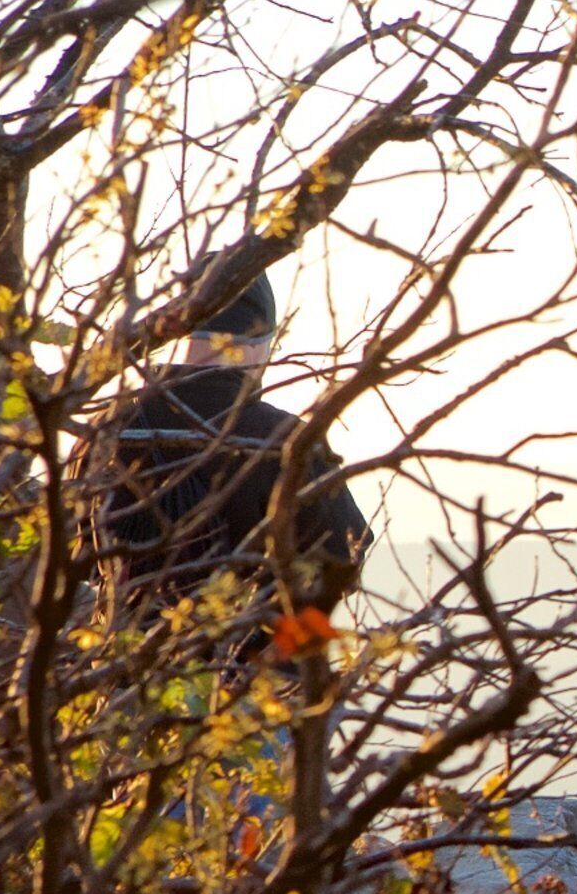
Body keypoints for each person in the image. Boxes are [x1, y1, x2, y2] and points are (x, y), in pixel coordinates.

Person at [92, 268, 372, 644]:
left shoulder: (103, 431)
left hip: (117, 682)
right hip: (244, 686)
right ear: (259, 343)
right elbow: (344, 560)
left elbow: (69, 569)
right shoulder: (284, 440)